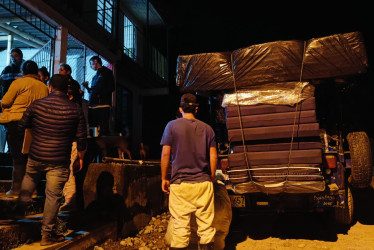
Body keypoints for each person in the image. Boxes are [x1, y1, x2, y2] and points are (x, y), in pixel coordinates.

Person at [17, 74, 87, 246]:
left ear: (50, 87)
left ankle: (20, 227)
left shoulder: (37, 105)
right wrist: (80, 158)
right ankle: (47, 234)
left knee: (26, 190)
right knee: (52, 196)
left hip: (35, 156)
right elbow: (82, 139)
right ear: (67, 90)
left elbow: (21, 126)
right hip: (59, 160)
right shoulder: (75, 109)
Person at [160, 93, 217, 250]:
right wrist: (211, 175)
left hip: (180, 184)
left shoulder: (171, 126)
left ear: (180, 108)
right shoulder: (208, 129)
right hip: (203, 183)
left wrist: (164, 178)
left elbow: (165, 154)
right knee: (206, 227)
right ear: (196, 109)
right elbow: (213, 156)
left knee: (180, 229)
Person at [0, 60, 48, 196]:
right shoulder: (43, 87)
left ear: (23, 71)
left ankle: (16, 188)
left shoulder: (18, 83)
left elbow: (6, 101)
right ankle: (32, 189)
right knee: (31, 157)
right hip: (35, 124)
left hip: (17, 123)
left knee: (17, 157)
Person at [82, 56, 115, 136]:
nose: (90, 66)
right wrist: (87, 88)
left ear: (95, 61)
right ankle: (94, 145)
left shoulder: (107, 72)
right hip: (93, 105)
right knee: (92, 129)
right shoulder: (95, 76)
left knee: (103, 129)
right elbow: (93, 91)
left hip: (102, 105)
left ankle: (102, 146)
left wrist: (100, 95)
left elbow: (111, 87)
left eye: (91, 63)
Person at [0, 48, 25, 153]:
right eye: (12, 56)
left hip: (21, 104)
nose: (14, 58)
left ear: (21, 56)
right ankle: (9, 149)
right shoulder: (7, 69)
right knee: (9, 129)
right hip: (10, 104)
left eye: (16, 56)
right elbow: (2, 86)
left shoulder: (25, 68)